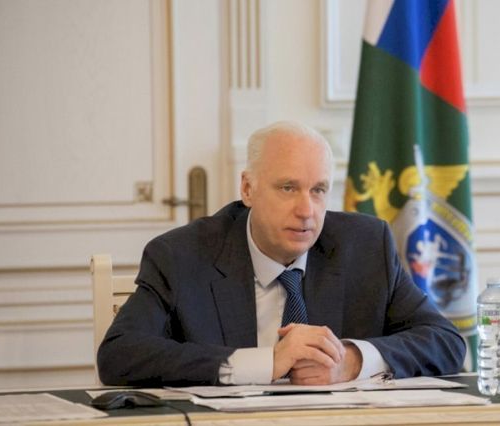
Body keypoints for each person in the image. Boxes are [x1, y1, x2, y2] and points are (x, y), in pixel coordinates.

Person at [97, 121, 466, 386]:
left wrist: (351, 361)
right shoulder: (181, 255)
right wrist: (265, 363)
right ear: (248, 189)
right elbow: (119, 354)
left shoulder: (366, 246)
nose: (306, 211)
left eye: (318, 190)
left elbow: (446, 341)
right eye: (288, 188)